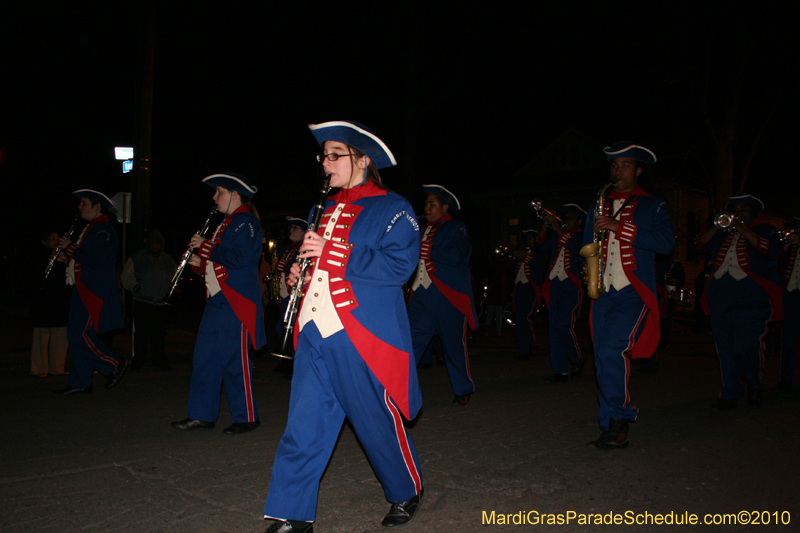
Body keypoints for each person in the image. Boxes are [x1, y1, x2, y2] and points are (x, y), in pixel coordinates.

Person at [262, 121, 423, 533]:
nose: (326, 162)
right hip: (314, 329)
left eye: (336, 154)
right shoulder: (320, 209)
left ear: (363, 160)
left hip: (360, 333)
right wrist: (301, 274)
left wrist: (332, 251)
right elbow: (321, 264)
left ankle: (405, 489)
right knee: (304, 424)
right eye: (324, 155)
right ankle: (293, 513)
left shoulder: (393, 207)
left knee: (373, 421)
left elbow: (399, 266)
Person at [583, 143, 674, 449]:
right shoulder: (599, 204)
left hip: (633, 290)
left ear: (638, 170)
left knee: (613, 350)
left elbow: (665, 243)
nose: (617, 171)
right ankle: (608, 423)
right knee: (601, 356)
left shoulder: (653, 204)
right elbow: (587, 244)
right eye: (614, 166)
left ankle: (620, 420)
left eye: (625, 165)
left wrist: (620, 227)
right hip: (602, 290)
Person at [171, 173, 266, 435]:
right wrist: (200, 264)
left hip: (236, 300)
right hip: (217, 300)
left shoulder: (246, 222)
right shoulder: (226, 223)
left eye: (219, 192)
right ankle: (201, 415)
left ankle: (247, 417)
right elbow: (223, 266)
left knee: (235, 361)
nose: (214, 198)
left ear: (234, 194)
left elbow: (239, 259)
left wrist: (206, 247)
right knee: (205, 358)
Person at [694, 194, 782, 409]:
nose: (738, 214)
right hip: (720, 294)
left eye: (744, 209)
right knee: (724, 346)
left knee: (747, 345)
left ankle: (754, 382)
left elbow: (772, 252)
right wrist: (718, 224)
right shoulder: (721, 232)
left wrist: (742, 229)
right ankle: (730, 392)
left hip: (752, 295)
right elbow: (698, 245)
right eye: (735, 210)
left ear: (752, 212)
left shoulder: (765, 230)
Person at [408, 184, 478, 405]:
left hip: (447, 295)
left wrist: (424, 248)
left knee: (453, 345)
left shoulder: (457, 227)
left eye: (432, 204)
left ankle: (463, 388)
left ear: (444, 207)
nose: (426, 208)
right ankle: (399, 389)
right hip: (420, 295)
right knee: (412, 344)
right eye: (426, 204)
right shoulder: (419, 229)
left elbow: (455, 254)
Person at [54, 189, 128, 394]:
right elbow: (84, 261)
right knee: (75, 334)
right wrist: (67, 260)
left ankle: (113, 363)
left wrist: (71, 248)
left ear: (97, 207)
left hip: (93, 291)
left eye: (84, 203)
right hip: (83, 289)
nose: (80, 207)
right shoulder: (92, 228)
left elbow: (96, 260)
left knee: (81, 333)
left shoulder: (104, 230)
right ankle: (81, 381)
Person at [539, 204, 586, 382]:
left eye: (570, 218)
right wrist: (546, 224)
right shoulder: (557, 234)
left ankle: (576, 359)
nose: (566, 221)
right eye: (565, 218)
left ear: (579, 221)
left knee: (563, 325)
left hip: (571, 284)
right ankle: (560, 371)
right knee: (553, 328)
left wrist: (558, 229)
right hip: (554, 284)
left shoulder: (582, 236)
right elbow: (541, 246)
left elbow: (577, 250)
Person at [121, 229, 176, 371]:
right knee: (141, 335)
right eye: (152, 243)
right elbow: (126, 276)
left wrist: (170, 292)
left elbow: (175, 278)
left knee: (159, 335)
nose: (155, 246)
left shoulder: (168, 261)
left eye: (158, 243)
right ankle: (137, 361)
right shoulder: (137, 258)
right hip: (142, 302)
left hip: (161, 304)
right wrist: (137, 288)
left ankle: (158, 361)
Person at [31, 230, 71, 377]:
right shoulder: (39, 257)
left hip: (60, 302)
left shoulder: (63, 256)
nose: (55, 241)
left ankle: (57, 367)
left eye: (56, 239)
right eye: (52, 239)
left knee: (60, 335)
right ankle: (39, 368)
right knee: (41, 337)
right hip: (43, 302)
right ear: (44, 242)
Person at [511, 229, 544, 360]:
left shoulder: (539, 253)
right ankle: (523, 350)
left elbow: (537, 266)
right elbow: (510, 268)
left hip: (531, 288)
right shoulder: (521, 252)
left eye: (531, 239)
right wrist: (514, 257)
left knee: (524, 318)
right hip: (519, 287)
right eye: (527, 239)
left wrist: (525, 255)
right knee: (519, 319)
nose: (528, 242)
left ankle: (531, 345)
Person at [274, 216, 306, 342]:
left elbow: (300, 266)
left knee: (284, 327)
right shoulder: (287, 247)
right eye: (290, 227)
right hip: (283, 291)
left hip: (293, 291)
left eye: (295, 228)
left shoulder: (304, 247)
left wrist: (282, 265)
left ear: (304, 231)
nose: (291, 230)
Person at [778, 218, 800, 394]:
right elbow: (774, 261)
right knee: (788, 340)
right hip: (791, 294)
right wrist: (786, 245)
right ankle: (785, 380)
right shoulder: (791, 246)